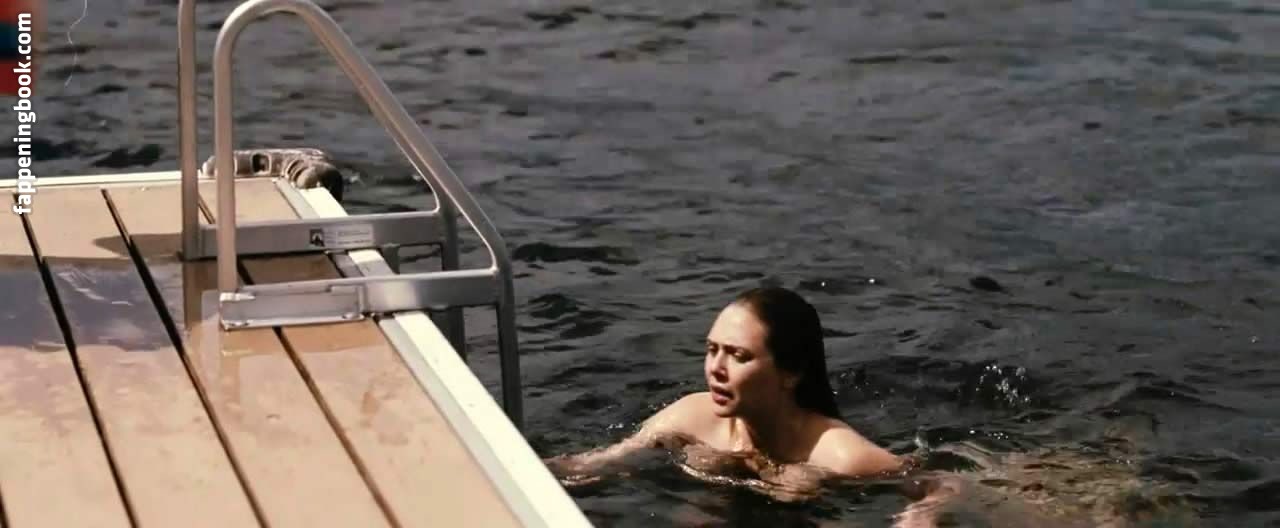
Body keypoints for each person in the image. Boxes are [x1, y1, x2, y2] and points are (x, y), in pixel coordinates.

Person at [545, 286, 906, 499]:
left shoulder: (840, 454)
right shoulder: (690, 417)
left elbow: (935, 484)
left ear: (790, 373)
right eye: (711, 349)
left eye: (739, 356)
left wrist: (917, 516)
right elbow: (600, 463)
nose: (716, 368)